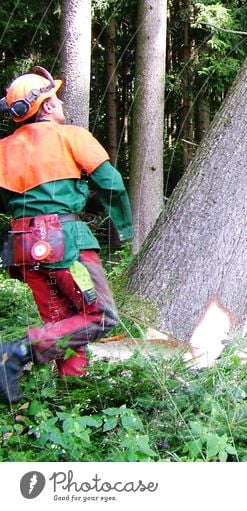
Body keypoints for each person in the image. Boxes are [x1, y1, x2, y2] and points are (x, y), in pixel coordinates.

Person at [0, 66, 133, 404]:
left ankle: (72, 404)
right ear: (45, 107)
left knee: (66, 325)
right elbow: (112, 183)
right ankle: (14, 353)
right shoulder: (72, 136)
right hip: (65, 245)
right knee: (101, 316)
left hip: (22, 246)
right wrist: (127, 230)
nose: (60, 104)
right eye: (55, 99)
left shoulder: (2, 150)